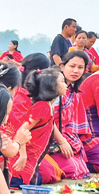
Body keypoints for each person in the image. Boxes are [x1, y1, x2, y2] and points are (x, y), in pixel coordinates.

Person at [6, 68, 67, 186]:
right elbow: (21, 130)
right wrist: (23, 156)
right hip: (23, 158)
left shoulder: (48, 105)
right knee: (27, 183)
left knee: (36, 181)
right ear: (52, 86)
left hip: (32, 157)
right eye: (62, 81)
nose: (66, 85)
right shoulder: (42, 107)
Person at [38, 50, 92, 180]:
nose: (76, 71)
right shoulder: (52, 88)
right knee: (72, 169)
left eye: (80, 67)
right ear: (62, 66)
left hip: (64, 136)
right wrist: (62, 141)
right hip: (47, 136)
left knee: (81, 168)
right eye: (72, 66)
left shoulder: (72, 91)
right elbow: (46, 118)